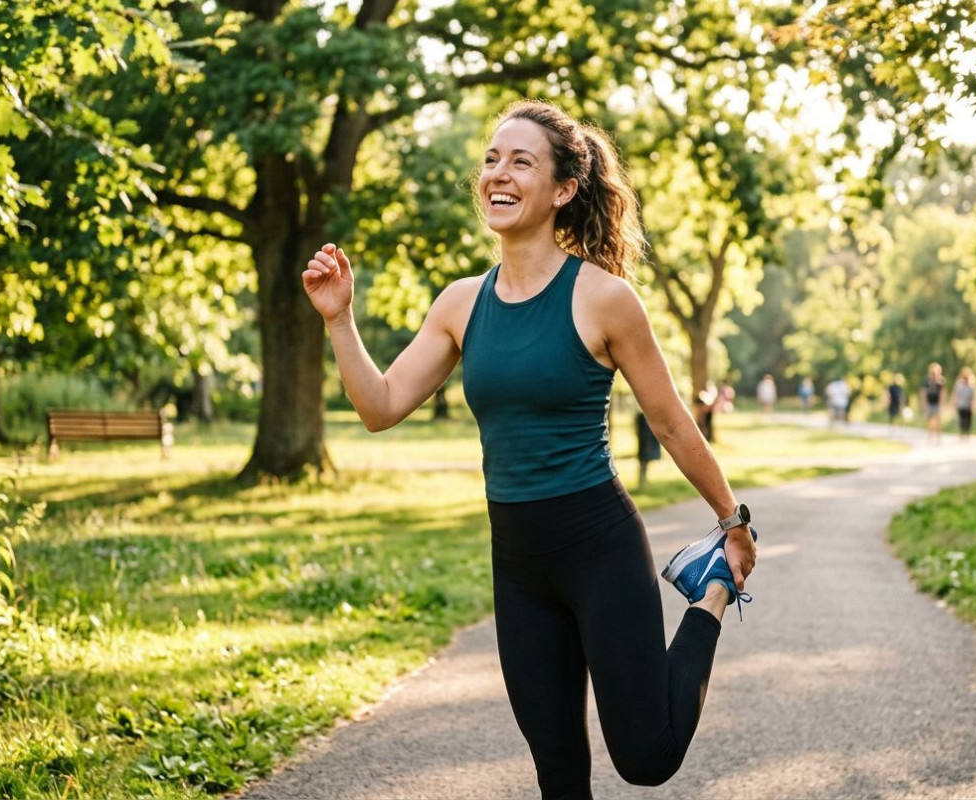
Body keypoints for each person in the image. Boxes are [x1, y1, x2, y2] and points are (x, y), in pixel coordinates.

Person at [301, 99, 757, 799]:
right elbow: (380, 406)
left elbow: (671, 425)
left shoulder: (605, 299)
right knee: (558, 775)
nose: (498, 174)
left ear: (564, 189)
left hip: (599, 549)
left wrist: (731, 524)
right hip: (517, 563)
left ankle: (711, 593)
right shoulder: (459, 303)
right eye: (491, 158)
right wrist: (341, 320)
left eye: (521, 161)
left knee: (647, 756)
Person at [920, 362, 946, 444]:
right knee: (929, 420)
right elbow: (923, 393)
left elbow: (943, 393)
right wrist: (924, 404)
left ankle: (938, 437)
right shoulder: (926, 381)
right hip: (929, 403)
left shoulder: (941, 381)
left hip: (937, 403)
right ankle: (930, 436)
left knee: (938, 420)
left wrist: (942, 404)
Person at [635, 411, 661, 490]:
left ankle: (643, 480)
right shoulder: (641, 418)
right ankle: (642, 481)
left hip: (646, 442)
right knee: (643, 462)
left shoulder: (648, 417)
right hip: (644, 443)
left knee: (645, 463)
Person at [953, 366, 976, 439]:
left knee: (968, 419)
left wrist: (974, 404)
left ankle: (967, 433)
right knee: (961, 419)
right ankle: (962, 433)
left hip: (969, 404)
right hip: (961, 404)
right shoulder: (959, 383)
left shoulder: (972, 383)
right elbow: (955, 393)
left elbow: (974, 395)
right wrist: (955, 402)